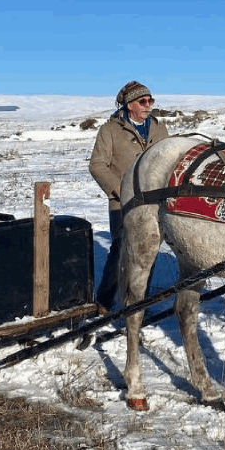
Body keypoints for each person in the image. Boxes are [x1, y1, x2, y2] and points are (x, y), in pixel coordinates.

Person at [88, 80, 169, 310]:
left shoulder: (158, 128)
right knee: (121, 249)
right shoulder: (110, 130)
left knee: (150, 249)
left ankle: (137, 303)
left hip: (154, 202)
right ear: (129, 104)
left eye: (150, 100)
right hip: (123, 203)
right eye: (143, 101)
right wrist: (119, 190)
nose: (148, 105)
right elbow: (97, 165)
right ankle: (103, 302)